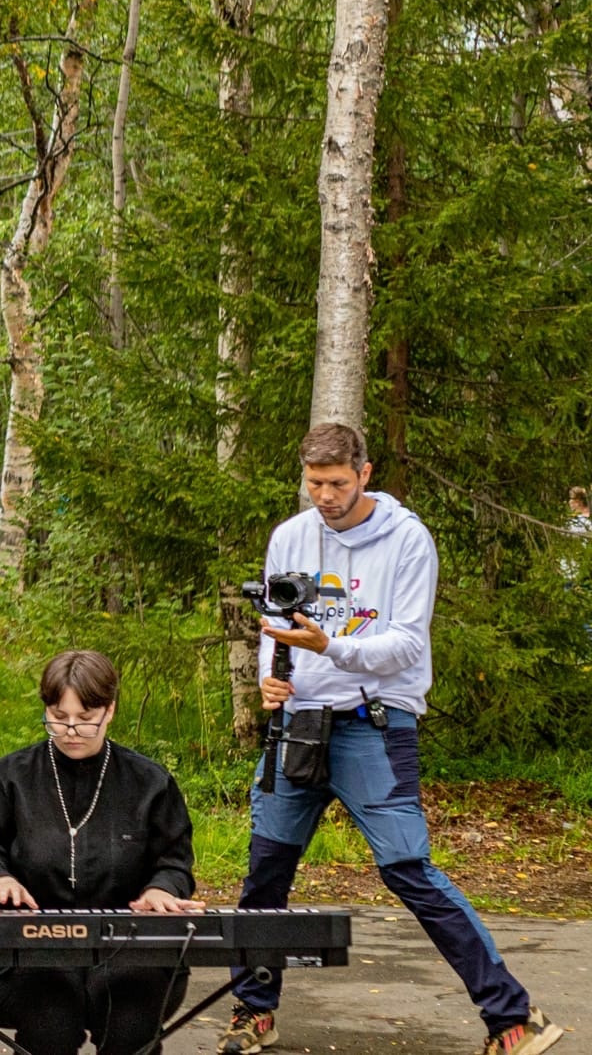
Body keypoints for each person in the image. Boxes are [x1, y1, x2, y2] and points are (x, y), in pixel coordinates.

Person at [220, 423, 554, 1055]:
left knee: (408, 869)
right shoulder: (289, 536)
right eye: (314, 483)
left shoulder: (407, 539)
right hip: (299, 724)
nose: (324, 496)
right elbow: (272, 622)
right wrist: (271, 678)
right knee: (267, 873)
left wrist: (330, 645)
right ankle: (252, 1013)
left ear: (365, 474)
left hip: (374, 723)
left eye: (337, 483)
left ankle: (512, 1017)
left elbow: (406, 642)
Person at [0, 649, 201, 1055]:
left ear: (110, 711)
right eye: (58, 716)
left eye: (86, 719)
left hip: (131, 949)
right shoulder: (10, 776)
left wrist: (162, 889)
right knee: (51, 1026)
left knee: (131, 1028)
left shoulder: (149, 781)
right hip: (30, 949)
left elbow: (175, 861)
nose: (71, 730)